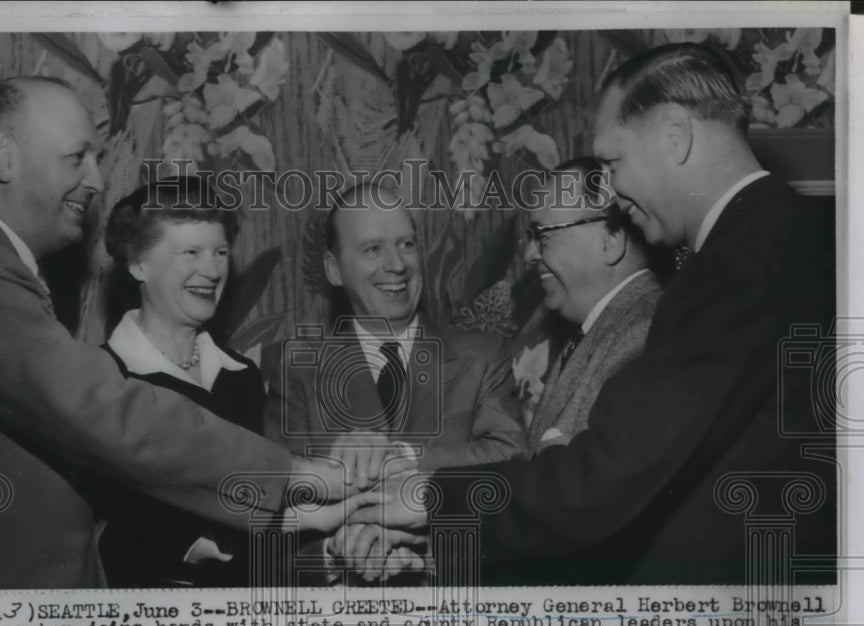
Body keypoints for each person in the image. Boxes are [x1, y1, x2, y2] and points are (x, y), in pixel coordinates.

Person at [354, 43, 836, 585]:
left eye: (611, 162)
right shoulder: (790, 238)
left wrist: (426, 494)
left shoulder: (737, 265)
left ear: (675, 135)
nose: (611, 191)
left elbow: (604, 482)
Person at [0, 76, 349, 590]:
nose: (96, 179)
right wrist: (295, 477)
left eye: (219, 252)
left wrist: (294, 517)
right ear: (5, 157)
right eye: (77, 157)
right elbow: (101, 411)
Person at [98, 176, 380, 586]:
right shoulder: (105, 376)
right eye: (190, 252)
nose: (211, 270)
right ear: (138, 263)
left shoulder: (240, 375)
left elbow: (262, 492)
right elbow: (124, 518)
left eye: (221, 252)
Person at [264, 182, 526, 582]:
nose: (397, 265)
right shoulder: (300, 371)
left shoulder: (483, 355)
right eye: (372, 249)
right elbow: (275, 509)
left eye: (406, 244)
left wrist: (402, 457)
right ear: (334, 269)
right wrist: (335, 555)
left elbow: (512, 459)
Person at [523, 156, 661, 454]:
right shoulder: (603, 328)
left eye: (542, 235)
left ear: (610, 242)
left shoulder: (644, 334)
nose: (529, 254)